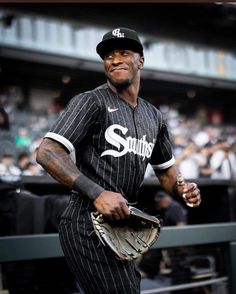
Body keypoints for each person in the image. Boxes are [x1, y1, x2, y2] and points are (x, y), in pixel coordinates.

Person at [36, 27, 201, 294]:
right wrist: (97, 193)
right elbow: (47, 151)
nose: (115, 60)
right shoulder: (91, 101)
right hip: (84, 223)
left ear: (141, 61)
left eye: (124, 53)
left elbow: (166, 171)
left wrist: (182, 188)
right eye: (108, 56)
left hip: (121, 223)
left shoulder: (154, 116)